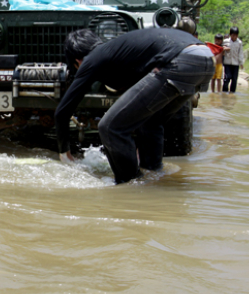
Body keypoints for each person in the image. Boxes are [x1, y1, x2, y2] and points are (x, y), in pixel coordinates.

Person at [55, 27, 215, 184]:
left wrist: (65, 155)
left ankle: (131, 186)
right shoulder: (121, 51)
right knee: (152, 121)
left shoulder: (92, 59)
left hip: (180, 60)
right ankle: (153, 176)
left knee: (110, 127)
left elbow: (62, 112)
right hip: (206, 59)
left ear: (77, 61)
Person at [222, 26, 244, 93]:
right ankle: (224, 93)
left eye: (236, 35)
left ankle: (232, 93)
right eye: (233, 35)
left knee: (234, 79)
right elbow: (221, 49)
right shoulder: (226, 41)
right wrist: (224, 48)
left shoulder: (239, 43)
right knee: (226, 79)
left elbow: (240, 53)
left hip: (235, 63)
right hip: (227, 63)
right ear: (230, 34)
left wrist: (241, 63)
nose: (234, 36)